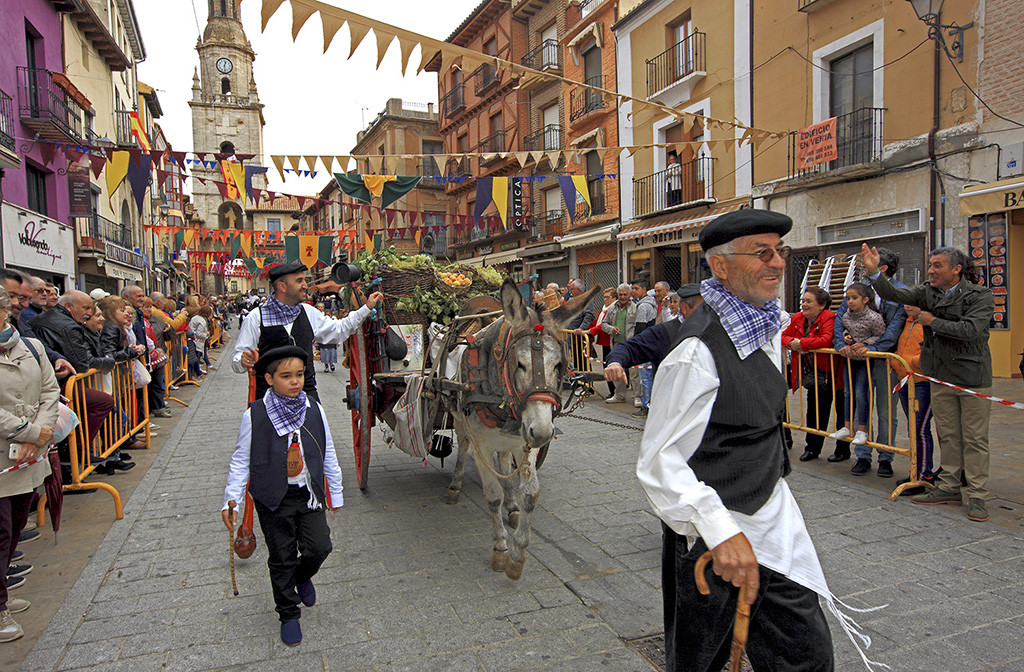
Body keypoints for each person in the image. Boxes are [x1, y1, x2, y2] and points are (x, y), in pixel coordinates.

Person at [638, 209, 843, 672]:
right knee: (701, 662)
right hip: (714, 538)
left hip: (771, 521)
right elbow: (658, 461)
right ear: (721, 267)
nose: (777, 263)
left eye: (780, 252)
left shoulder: (767, 324)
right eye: (762, 253)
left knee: (807, 657)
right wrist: (720, 529)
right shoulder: (695, 353)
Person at [861, 244, 995, 522]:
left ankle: (978, 495)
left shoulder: (980, 295)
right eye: (930, 265)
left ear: (956, 269)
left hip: (972, 378)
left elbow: (971, 331)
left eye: (938, 266)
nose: (931, 270)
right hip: (940, 375)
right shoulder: (926, 291)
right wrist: (874, 273)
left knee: (974, 439)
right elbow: (894, 293)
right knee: (948, 435)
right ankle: (948, 487)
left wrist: (931, 320)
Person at [222, 345, 343, 647]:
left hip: (308, 493)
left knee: (320, 547)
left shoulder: (314, 408)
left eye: (300, 375)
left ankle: (303, 576)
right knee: (281, 557)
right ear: (269, 378)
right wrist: (229, 500)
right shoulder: (255, 414)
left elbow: (327, 451)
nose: (295, 382)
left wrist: (335, 491)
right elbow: (240, 460)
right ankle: (288, 613)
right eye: (286, 376)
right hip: (273, 497)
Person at [233, 263, 382, 402]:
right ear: (282, 286)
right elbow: (238, 359)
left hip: (306, 396)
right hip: (268, 399)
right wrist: (242, 360)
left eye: (304, 280)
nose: (305, 285)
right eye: (299, 281)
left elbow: (338, 330)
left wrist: (366, 308)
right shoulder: (256, 318)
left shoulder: (308, 313)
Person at [0, 287, 57, 643]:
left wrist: (37, 434)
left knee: (16, 523)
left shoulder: (31, 347)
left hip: (28, 455)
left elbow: (50, 391)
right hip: (11, 449)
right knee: (1, 529)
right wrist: (30, 431)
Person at [832, 248, 907, 476]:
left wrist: (873, 348)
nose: (864, 268)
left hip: (884, 360)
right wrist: (840, 344)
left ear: (882, 267)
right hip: (856, 359)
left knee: (886, 412)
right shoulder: (857, 291)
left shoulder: (900, 292)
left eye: (869, 263)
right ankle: (862, 456)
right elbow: (840, 318)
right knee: (859, 402)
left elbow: (895, 328)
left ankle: (886, 457)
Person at [29, 291, 116, 450]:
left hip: (47, 380)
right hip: (57, 384)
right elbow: (83, 363)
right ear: (68, 306)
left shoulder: (43, 318)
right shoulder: (69, 326)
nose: (89, 314)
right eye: (85, 308)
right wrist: (108, 362)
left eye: (91, 309)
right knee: (104, 401)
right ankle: (77, 450)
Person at [782, 287, 848, 462]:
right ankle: (812, 448)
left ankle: (842, 450)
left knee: (842, 412)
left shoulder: (829, 318)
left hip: (836, 373)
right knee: (815, 412)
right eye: (803, 300)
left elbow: (827, 339)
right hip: (814, 374)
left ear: (822, 305)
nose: (804, 304)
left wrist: (802, 343)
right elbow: (784, 336)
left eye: (808, 301)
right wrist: (792, 343)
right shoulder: (797, 318)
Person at [603, 284, 704, 394]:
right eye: (704, 308)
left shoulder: (713, 329)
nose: (709, 313)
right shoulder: (664, 333)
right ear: (684, 308)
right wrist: (615, 362)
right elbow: (629, 347)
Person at [829, 283, 886, 474]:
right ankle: (847, 426)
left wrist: (866, 345)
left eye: (854, 298)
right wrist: (846, 339)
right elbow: (845, 329)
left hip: (865, 362)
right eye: (848, 298)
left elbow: (880, 335)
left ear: (865, 300)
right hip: (850, 359)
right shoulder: (846, 315)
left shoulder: (874, 317)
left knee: (862, 394)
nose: (850, 301)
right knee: (847, 393)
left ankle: (862, 429)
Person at [890, 310, 935, 494]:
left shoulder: (928, 324)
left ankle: (924, 475)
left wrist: (907, 361)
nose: (908, 307)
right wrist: (896, 362)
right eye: (906, 303)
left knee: (920, 429)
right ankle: (915, 472)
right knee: (913, 429)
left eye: (913, 303)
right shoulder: (904, 321)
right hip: (905, 379)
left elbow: (929, 354)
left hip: (922, 381)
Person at [0, 269, 73, 380]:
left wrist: (56, 358)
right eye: (13, 296)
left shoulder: (20, 321)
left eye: (28, 299)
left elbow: (33, 343)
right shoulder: (27, 317)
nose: (22, 304)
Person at [600, 283, 636, 403]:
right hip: (616, 345)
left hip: (630, 345)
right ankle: (619, 395)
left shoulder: (635, 308)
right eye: (620, 294)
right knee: (617, 371)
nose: (623, 297)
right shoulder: (612, 308)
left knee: (634, 372)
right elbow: (603, 324)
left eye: (625, 294)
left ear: (629, 295)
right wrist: (612, 329)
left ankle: (638, 397)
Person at [579, 289, 616, 400]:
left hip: (610, 340)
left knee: (610, 365)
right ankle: (612, 391)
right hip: (604, 341)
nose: (605, 299)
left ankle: (614, 391)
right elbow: (596, 322)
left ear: (614, 298)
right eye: (604, 297)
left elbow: (602, 326)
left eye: (607, 297)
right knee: (606, 365)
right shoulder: (604, 310)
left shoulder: (613, 309)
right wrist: (585, 328)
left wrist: (587, 331)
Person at [631, 279, 659, 417]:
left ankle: (647, 405)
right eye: (633, 288)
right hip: (651, 343)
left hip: (644, 345)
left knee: (645, 378)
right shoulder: (651, 304)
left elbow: (640, 328)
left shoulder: (643, 306)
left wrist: (636, 345)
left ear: (644, 289)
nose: (633, 291)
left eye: (636, 288)